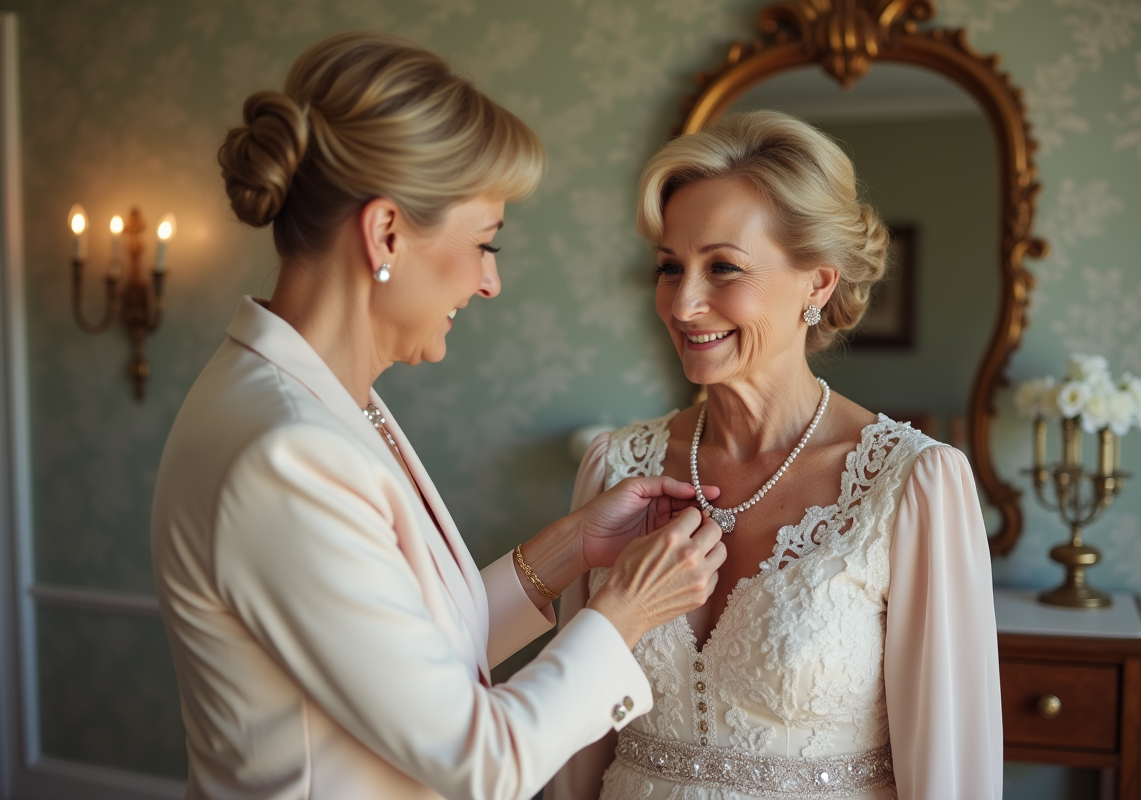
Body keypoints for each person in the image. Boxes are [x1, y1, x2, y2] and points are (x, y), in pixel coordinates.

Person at [150, 31, 728, 800]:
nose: (490, 282)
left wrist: (572, 549)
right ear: (386, 232)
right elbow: (478, 761)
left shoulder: (317, 400)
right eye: (485, 243)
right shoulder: (286, 454)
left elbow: (402, 655)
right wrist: (626, 610)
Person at [548, 110, 1002, 800]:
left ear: (817, 284)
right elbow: (574, 740)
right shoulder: (615, 466)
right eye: (670, 268)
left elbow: (950, 773)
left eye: (723, 267)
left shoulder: (913, 483)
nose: (683, 304)